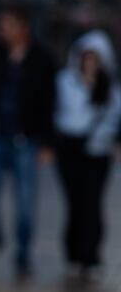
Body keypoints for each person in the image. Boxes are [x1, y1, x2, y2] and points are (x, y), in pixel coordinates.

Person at [0, 5, 56, 278]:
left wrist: (49, 144)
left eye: (7, 24)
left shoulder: (42, 58)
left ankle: (23, 256)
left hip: (26, 140)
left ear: (23, 27)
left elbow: (50, 103)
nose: (2, 29)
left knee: (26, 205)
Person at [53, 30, 121, 281]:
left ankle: (91, 256)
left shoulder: (110, 88)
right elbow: (58, 113)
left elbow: (116, 119)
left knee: (92, 204)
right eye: (86, 57)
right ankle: (74, 256)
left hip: (98, 152)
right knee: (75, 204)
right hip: (70, 150)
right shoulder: (65, 81)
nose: (90, 62)